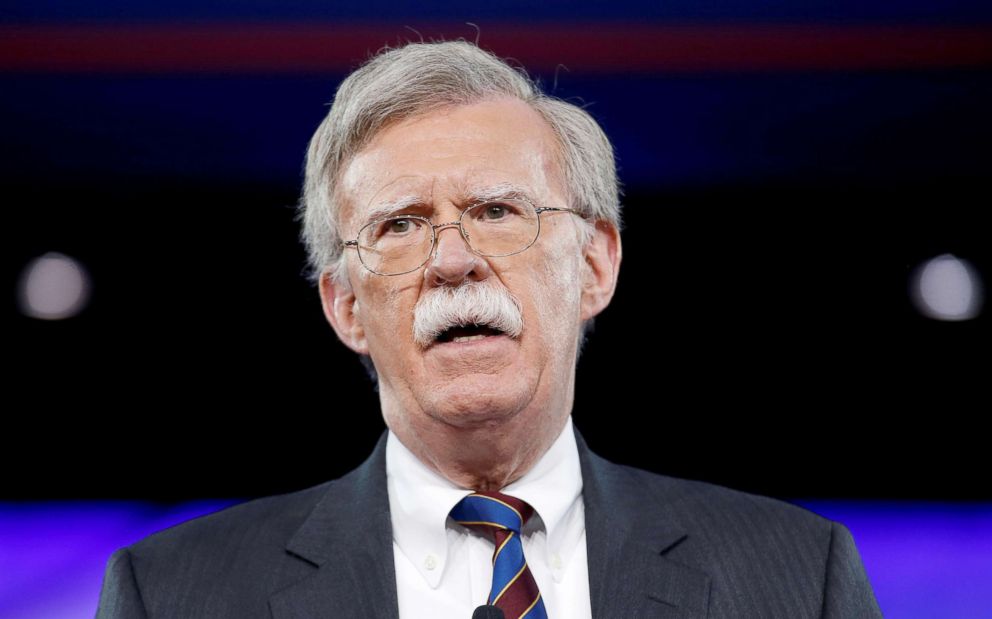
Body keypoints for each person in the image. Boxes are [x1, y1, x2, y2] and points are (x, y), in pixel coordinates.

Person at [96, 40, 883, 618]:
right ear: (343, 305)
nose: (452, 260)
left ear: (595, 265)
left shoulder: (796, 578)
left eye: (497, 211)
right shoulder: (170, 593)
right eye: (400, 225)